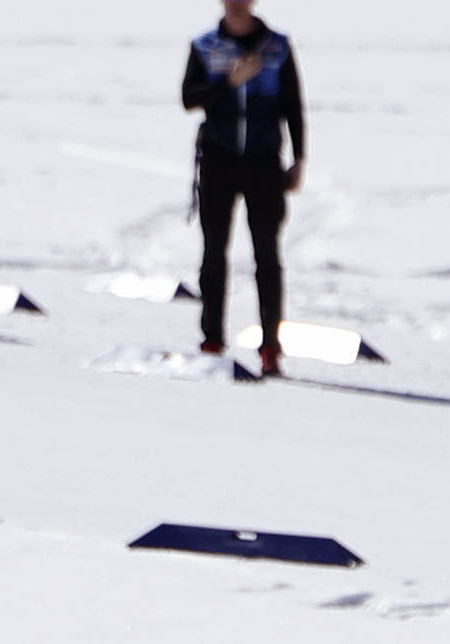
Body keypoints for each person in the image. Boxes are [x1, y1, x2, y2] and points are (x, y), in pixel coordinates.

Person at [183, 1, 306, 376]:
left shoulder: (277, 47)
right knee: (213, 254)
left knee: (267, 257)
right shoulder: (205, 46)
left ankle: (270, 347)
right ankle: (212, 340)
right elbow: (190, 98)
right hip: (219, 159)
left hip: (263, 162)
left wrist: (299, 158)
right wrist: (228, 83)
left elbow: (293, 105)